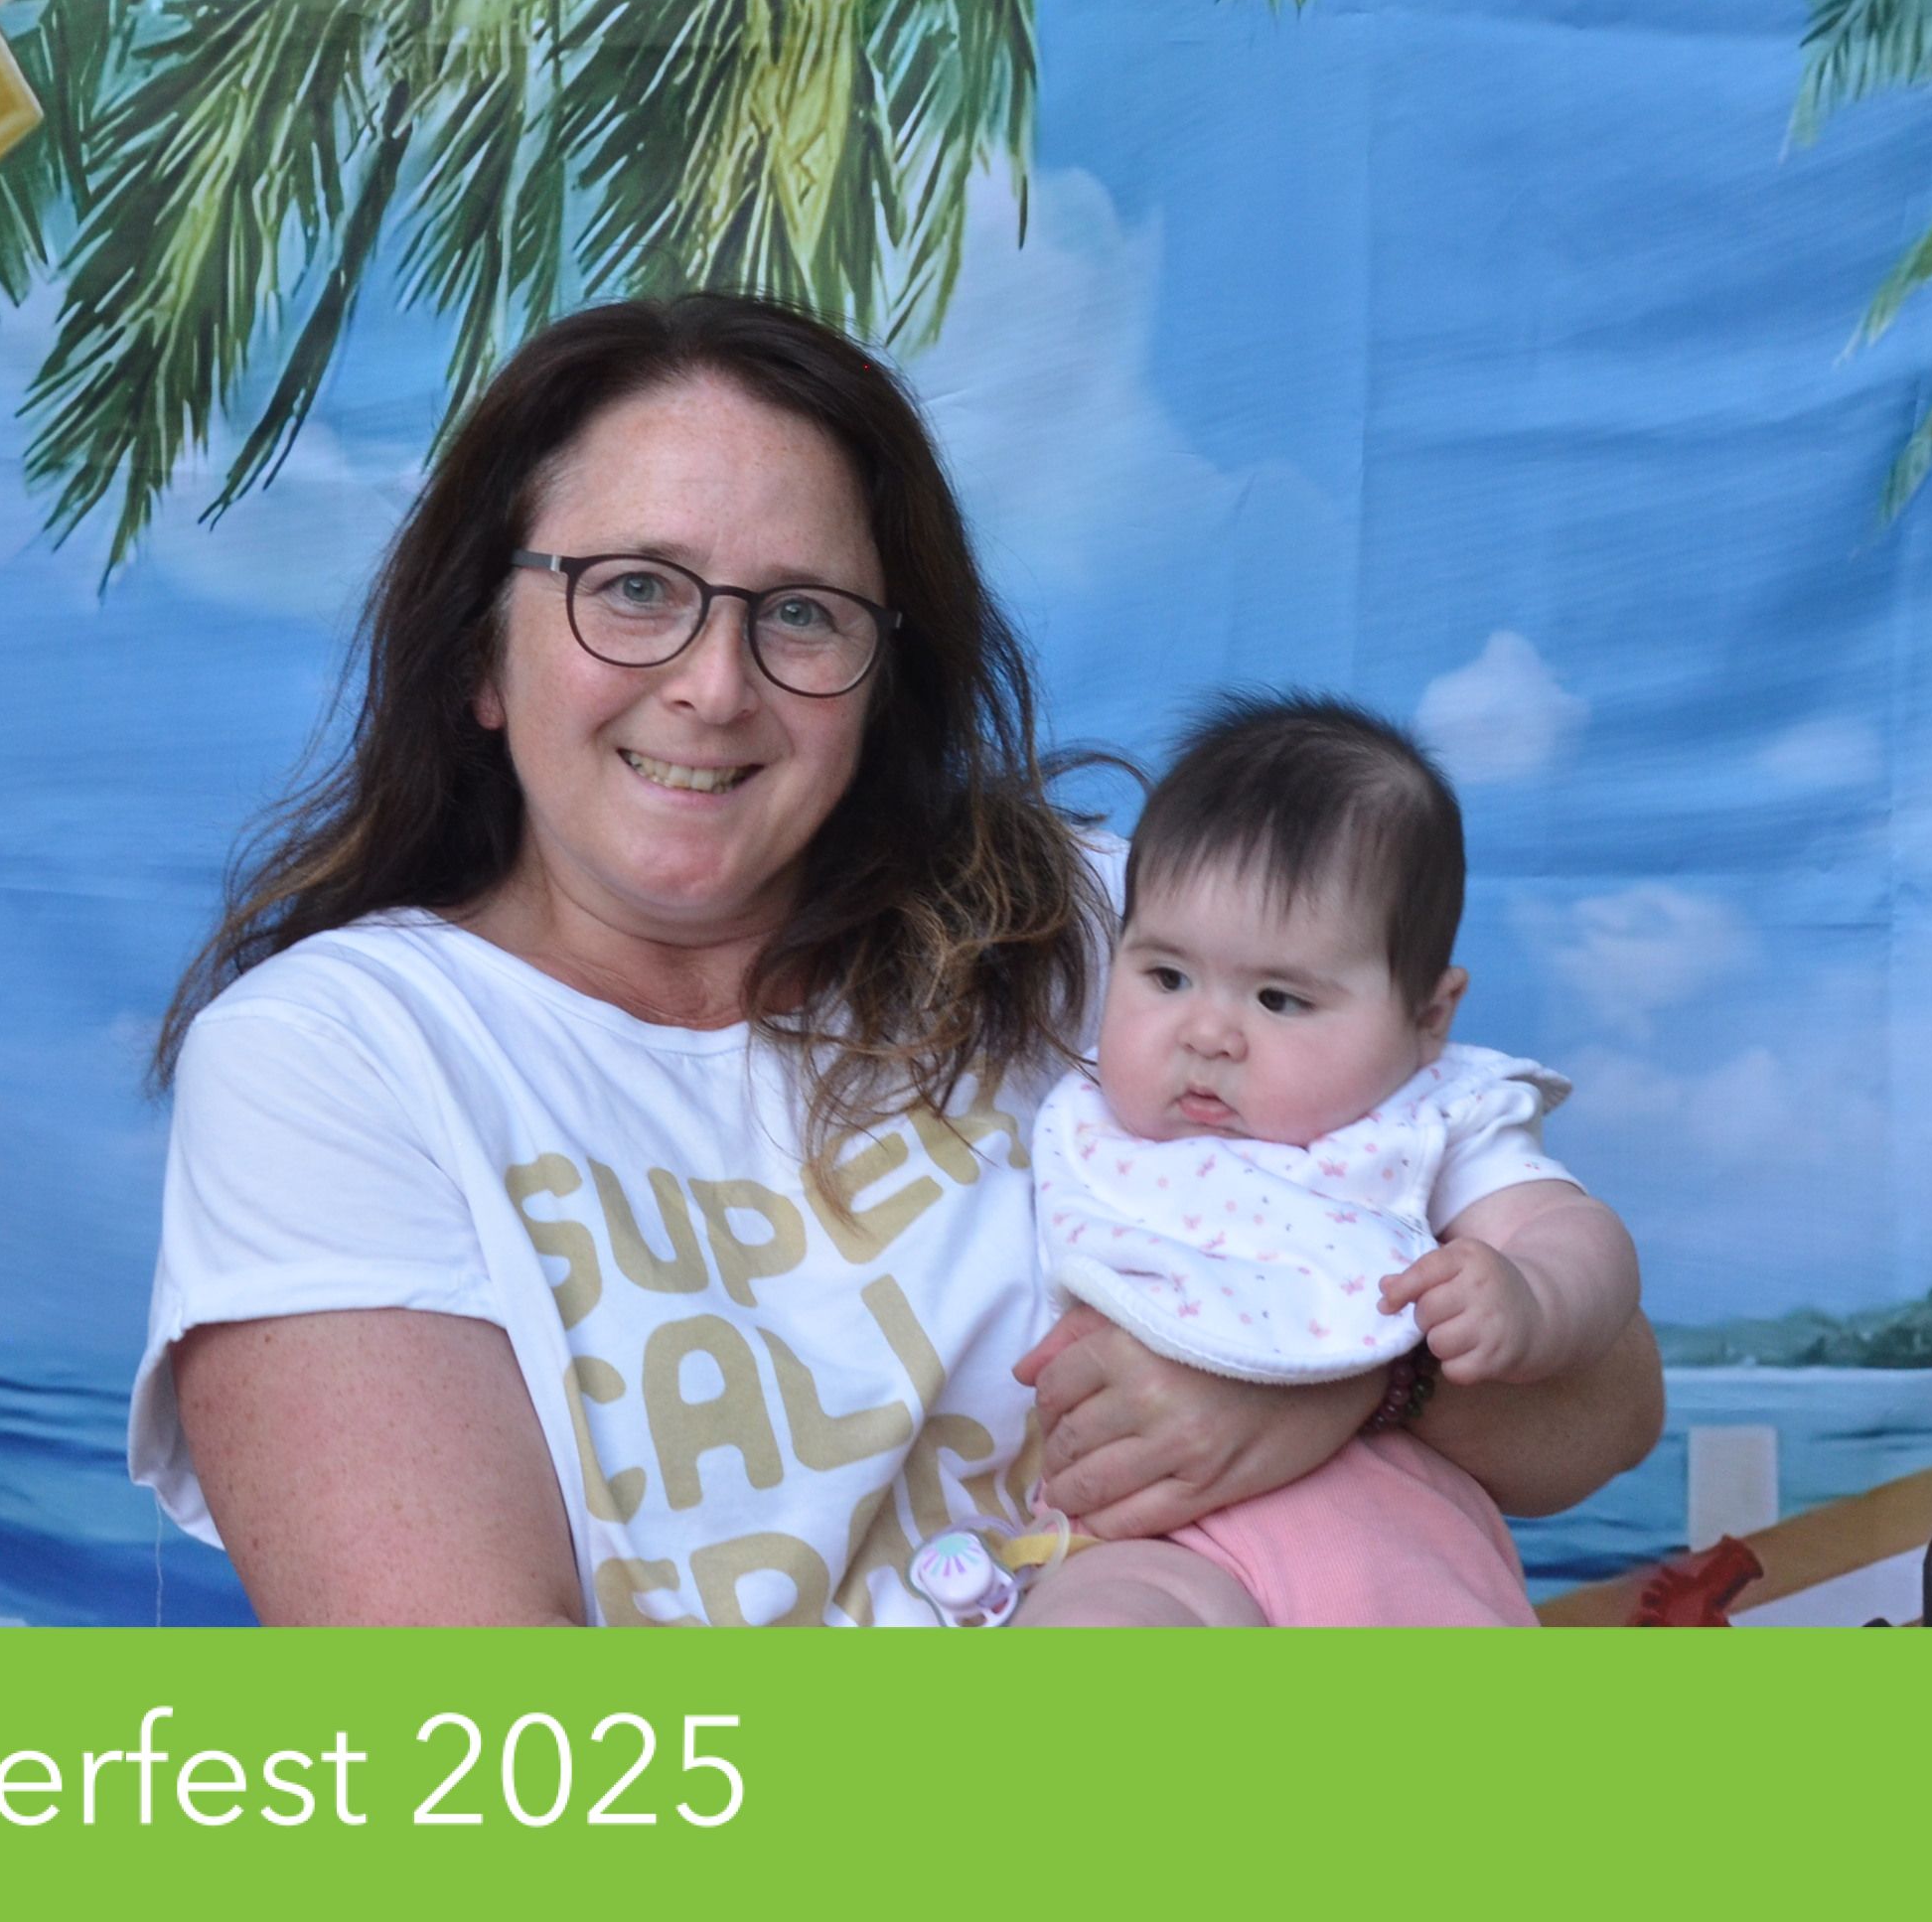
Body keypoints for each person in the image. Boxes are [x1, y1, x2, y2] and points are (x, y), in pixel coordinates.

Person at [131, 293, 1664, 1624]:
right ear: (480, 649)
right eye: (634, 589)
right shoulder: (340, 1055)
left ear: (882, 679)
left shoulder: (1106, 935)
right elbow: (476, 1739)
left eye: (800, 615)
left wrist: (1329, 1378)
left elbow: (1599, 1413)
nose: (714, 686)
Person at [1013, 695, 1642, 1626]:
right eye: (1167, 977)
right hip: (1150, 1549)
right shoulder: (1092, 1125)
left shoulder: (1424, 1122)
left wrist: (1531, 1295)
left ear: (1428, 1016)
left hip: (1399, 1544)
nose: (1206, 1033)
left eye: (1279, 999)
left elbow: (1572, 1233)